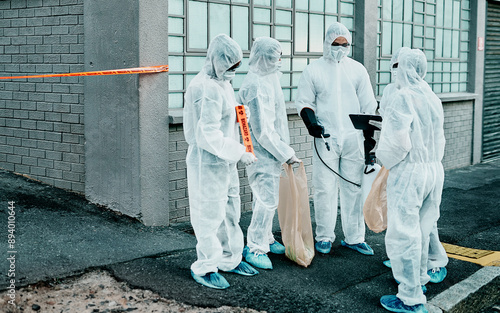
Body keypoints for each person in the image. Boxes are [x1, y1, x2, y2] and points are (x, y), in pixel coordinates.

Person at [183, 34, 259, 290]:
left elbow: (223, 114)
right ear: (217, 61)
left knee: (230, 212)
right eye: (230, 67)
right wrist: (239, 152)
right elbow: (207, 134)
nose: (233, 73)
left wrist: (238, 112)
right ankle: (205, 267)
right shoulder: (203, 87)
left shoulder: (222, 82)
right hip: (208, 161)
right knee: (209, 215)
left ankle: (230, 258)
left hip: (225, 161)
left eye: (237, 67)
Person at [295, 22, 377, 255]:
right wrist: (312, 124)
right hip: (327, 137)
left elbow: (368, 104)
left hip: (353, 138)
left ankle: (354, 237)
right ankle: (324, 236)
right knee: (324, 188)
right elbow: (304, 102)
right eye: (335, 44)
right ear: (327, 43)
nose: (340, 48)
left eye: (344, 44)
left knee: (353, 187)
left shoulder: (357, 70)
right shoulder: (314, 70)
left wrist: (368, 139)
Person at [376, 48, 446, 313]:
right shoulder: (432, 96)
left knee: (403, 233)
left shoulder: (404, 97)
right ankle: (420, 281)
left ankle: (410, 297)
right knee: (423, 229)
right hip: (434, 170)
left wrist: (385, 162)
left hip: (410, 172)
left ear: (402, 68)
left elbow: (397, 142)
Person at [236, 37, 301, 270]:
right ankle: (254, 246)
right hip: (261, 152)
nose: (279, 61)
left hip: (270, 151)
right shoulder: (255, 85)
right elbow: (262, 131)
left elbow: (275, 118)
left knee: (266, 198)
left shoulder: (267, 78)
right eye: (275, 57)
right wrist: (286, 153)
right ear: (264, 58)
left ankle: (266, 238)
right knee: (266, 199)